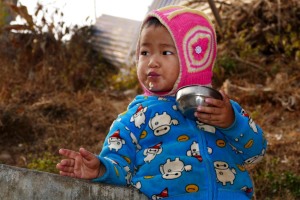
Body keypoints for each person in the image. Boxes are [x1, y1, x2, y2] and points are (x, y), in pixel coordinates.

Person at [56, 5, 267, 199]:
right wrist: (101, 169)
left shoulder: (220, 108)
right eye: (145, 52)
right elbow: (120, 165)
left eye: (165, 52)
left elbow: (255, 153)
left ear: (193, 58)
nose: (152, 62)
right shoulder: (135, 117)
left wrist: (233, 123)